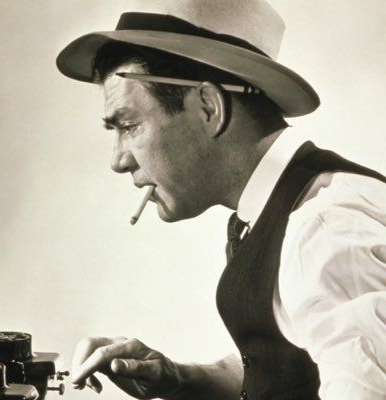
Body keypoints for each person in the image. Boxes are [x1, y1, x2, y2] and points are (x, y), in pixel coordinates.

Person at [56, 1, 386, 399]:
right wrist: (178, 378)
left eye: (128, 126)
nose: (118, 161)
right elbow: (290, 368)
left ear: (209, 107)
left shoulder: (323, 226)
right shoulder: (278, 211)